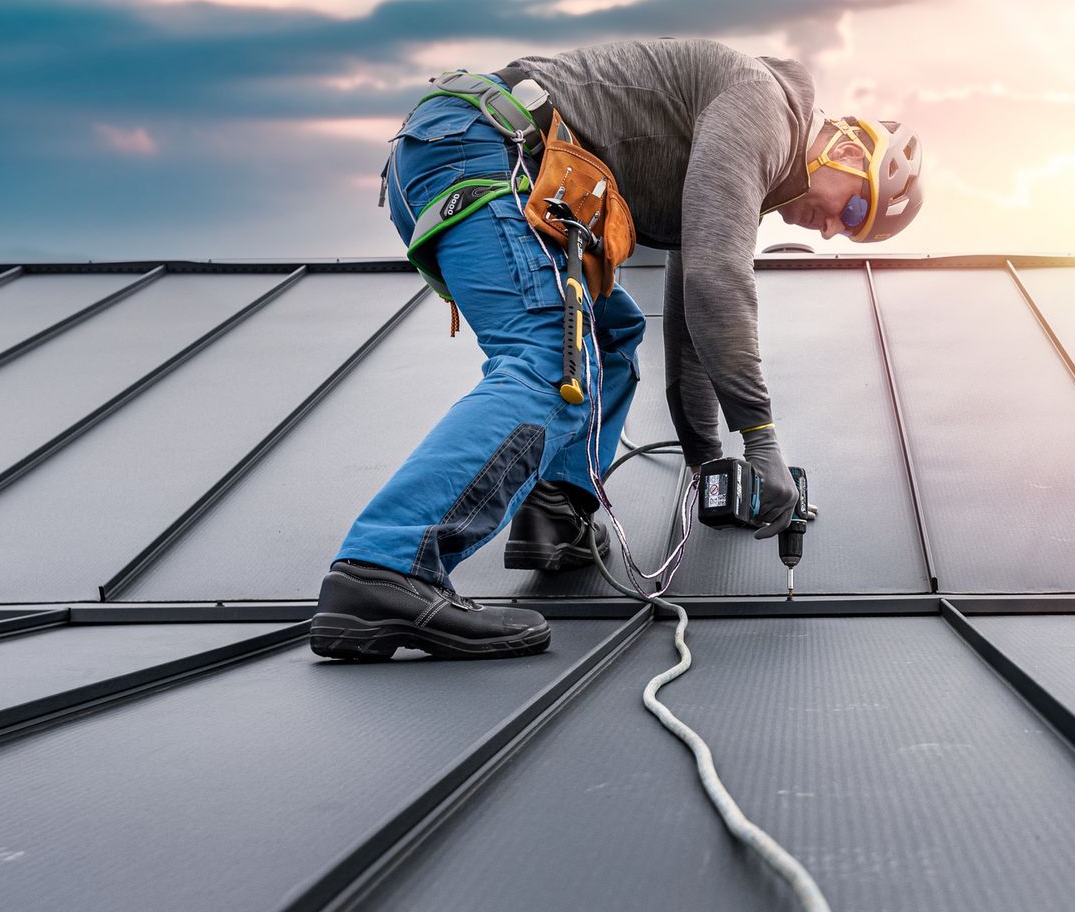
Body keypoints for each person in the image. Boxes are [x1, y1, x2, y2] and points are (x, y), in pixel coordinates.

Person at [309, 37, 925, 661]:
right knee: (555, 359)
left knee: (607, 335)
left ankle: (555, 514)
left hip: (474, 155)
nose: (831, 229)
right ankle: (386, 568)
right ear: (847, 148)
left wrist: (708, 460)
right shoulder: (763, 109)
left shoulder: (750, 150)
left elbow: (690, 311)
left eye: (850, 233)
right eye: (853, 208)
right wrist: (762, 439)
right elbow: (718, 279)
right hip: (480, 150)